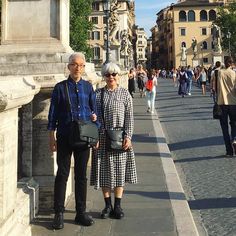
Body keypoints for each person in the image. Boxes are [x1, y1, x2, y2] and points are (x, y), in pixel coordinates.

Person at [47, 52, 98, 229]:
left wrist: (95, 132)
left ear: (84, 68)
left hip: (84, 137)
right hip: (64, 135)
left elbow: (95, 112)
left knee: (81, 176)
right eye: (75, 64)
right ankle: (59, 213)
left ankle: (81, 212)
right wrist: (51, 137)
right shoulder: (60, 88)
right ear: (68, 67)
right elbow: (52, 114)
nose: (78, 68)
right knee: (62, 174)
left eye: (81, 65)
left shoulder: (88, 87)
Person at [90, 62, 137, 220]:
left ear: (118, 76)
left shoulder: (125, 94)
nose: (111, 77)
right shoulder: (97, 95)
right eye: (108, 75)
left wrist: (128, 136)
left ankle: (117, 205)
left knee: (119, 172)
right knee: (104, 172)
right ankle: (107, 205)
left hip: (119, 137)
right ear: (103, 77)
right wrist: (94, 134)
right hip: (102, 138)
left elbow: (130, 118)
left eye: (114, 74)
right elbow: (93, 118)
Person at [214, 57, 236, 156]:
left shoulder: (219, 73)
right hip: (233, 103)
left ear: (225, 63)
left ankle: (229, 151)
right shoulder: (234, 74)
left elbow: (214, 87)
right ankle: (235, 139)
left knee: (224, 127)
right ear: (232, 64)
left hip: (222, 103)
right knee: (234, 124)